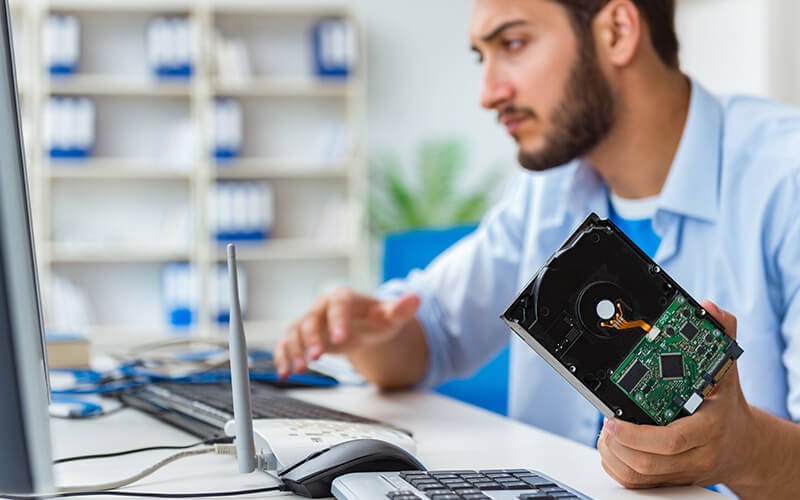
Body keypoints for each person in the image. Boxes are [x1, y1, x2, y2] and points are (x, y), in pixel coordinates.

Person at [274, 0, 800, 496]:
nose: (487, 92)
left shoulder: (784, 177)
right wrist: (363, 331)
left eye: (514, 43)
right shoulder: (547, 189)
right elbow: (425, 338)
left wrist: (743, 452)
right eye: (482, 56)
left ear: (617, 31)